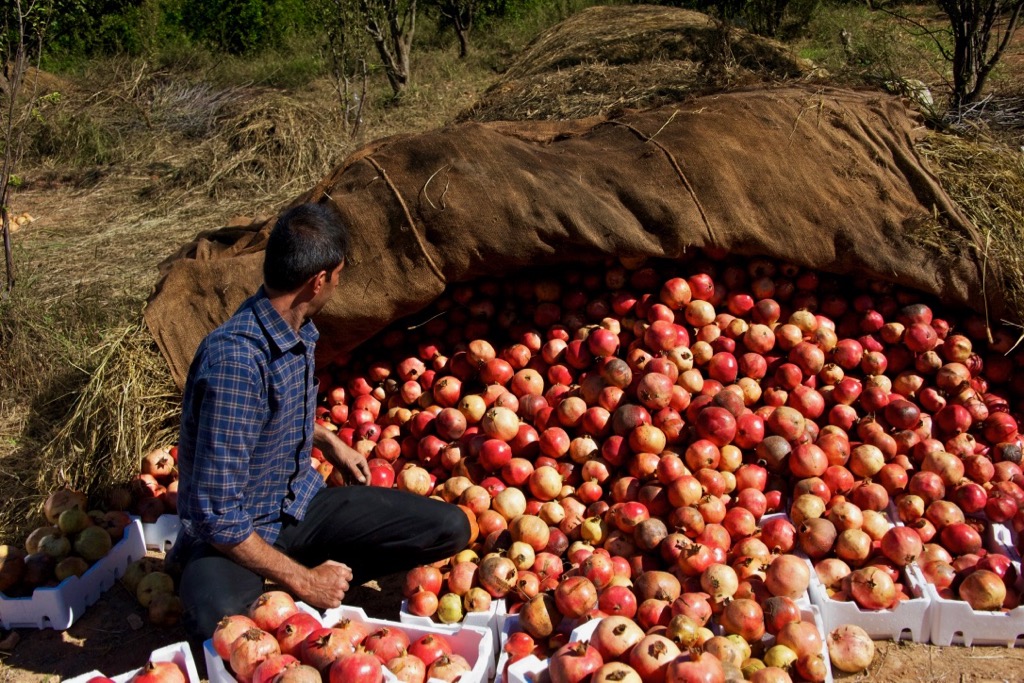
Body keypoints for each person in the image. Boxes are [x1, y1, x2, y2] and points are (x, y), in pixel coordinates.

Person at [168, 202, 471, 651]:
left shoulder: (297, 330)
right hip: (234, 538)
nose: (339, 284)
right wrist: (305, 581)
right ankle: (287, 580)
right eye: (339, 275)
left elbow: (271, 410)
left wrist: (328, 441)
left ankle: (288, 578)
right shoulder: (236, 361)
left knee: (450, 527)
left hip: (296, 509)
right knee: (226, 627)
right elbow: (218, 516)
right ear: (319, 279)